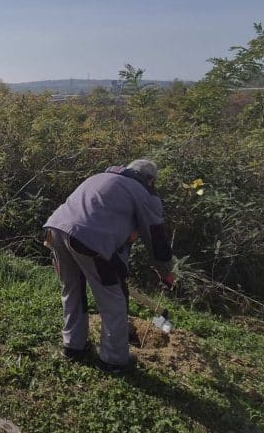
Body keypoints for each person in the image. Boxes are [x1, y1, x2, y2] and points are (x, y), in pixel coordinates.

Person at [43, 159, 175, 374]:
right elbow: (156, 237)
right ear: (150, 180)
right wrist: (166, 271)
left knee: (72, 289)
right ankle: (113, 361)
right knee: (114, 297)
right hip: (89, 242)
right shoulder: (144, 193)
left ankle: (73, 347)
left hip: (55, 230)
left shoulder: (100, 177)